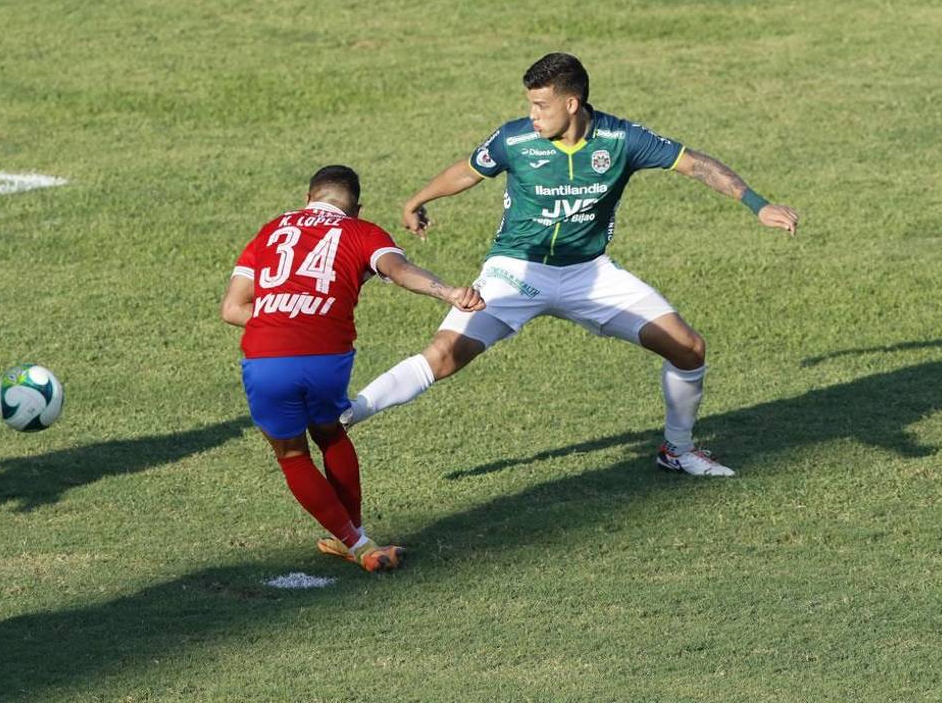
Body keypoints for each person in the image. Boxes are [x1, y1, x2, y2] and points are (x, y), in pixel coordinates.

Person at [342, 53, 800, 477]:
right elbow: (469, 169)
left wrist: (757, 204)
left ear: (572, 103)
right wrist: (416, 200)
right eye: (530, 104)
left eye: (541, 105)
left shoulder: (622, 139)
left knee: (688, 348)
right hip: (516, 271)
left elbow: (695, 164)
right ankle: (349, 412)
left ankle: (677, 451)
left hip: (590, 275)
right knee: (442, 356)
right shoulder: (515, 139)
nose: (533, 115)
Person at [221, 165, 485, 571]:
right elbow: (400, 272)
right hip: (327, 354)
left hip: (267, 356)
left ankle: (358, 544)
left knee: (292, 455)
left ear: (308, 199)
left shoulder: (271, 231)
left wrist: (284, 317)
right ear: (356, 208)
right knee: (330, 433)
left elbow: (232, 308)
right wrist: (448, 292)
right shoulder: (363, 232)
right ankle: (355, 534)